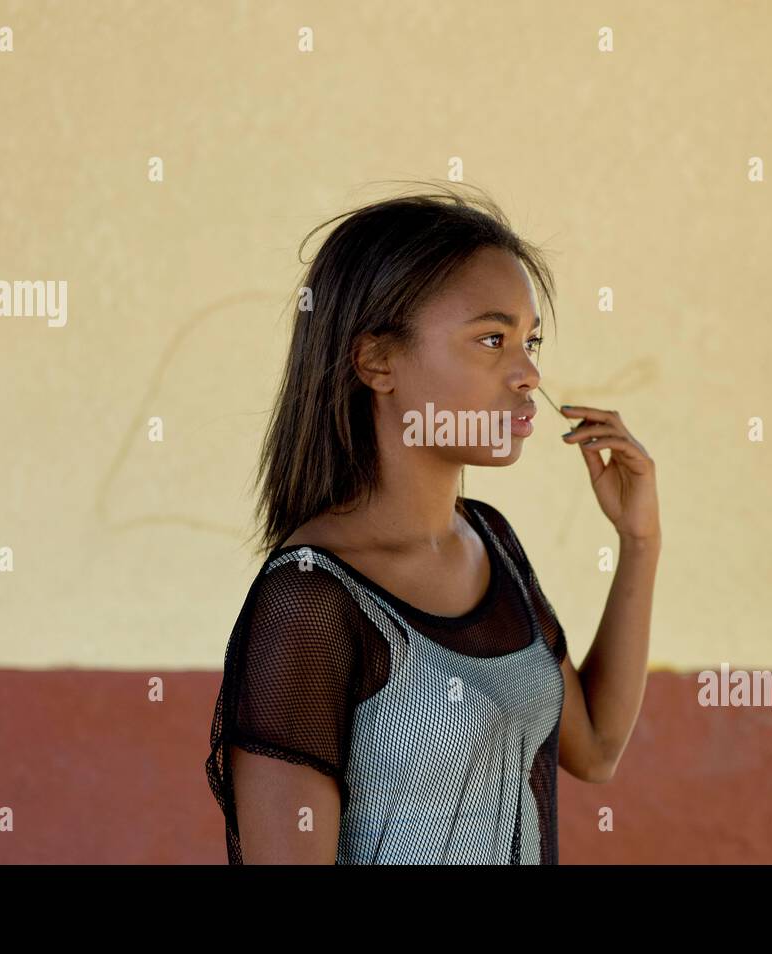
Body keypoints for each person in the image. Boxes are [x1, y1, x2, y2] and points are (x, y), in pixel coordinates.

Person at [204, 181, 661, 863]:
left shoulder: (492, 542)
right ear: (377, 361)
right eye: (491, 338)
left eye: (529, 340)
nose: (529, 372)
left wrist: (640, 541)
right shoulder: (308, 598)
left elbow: (593, 749)